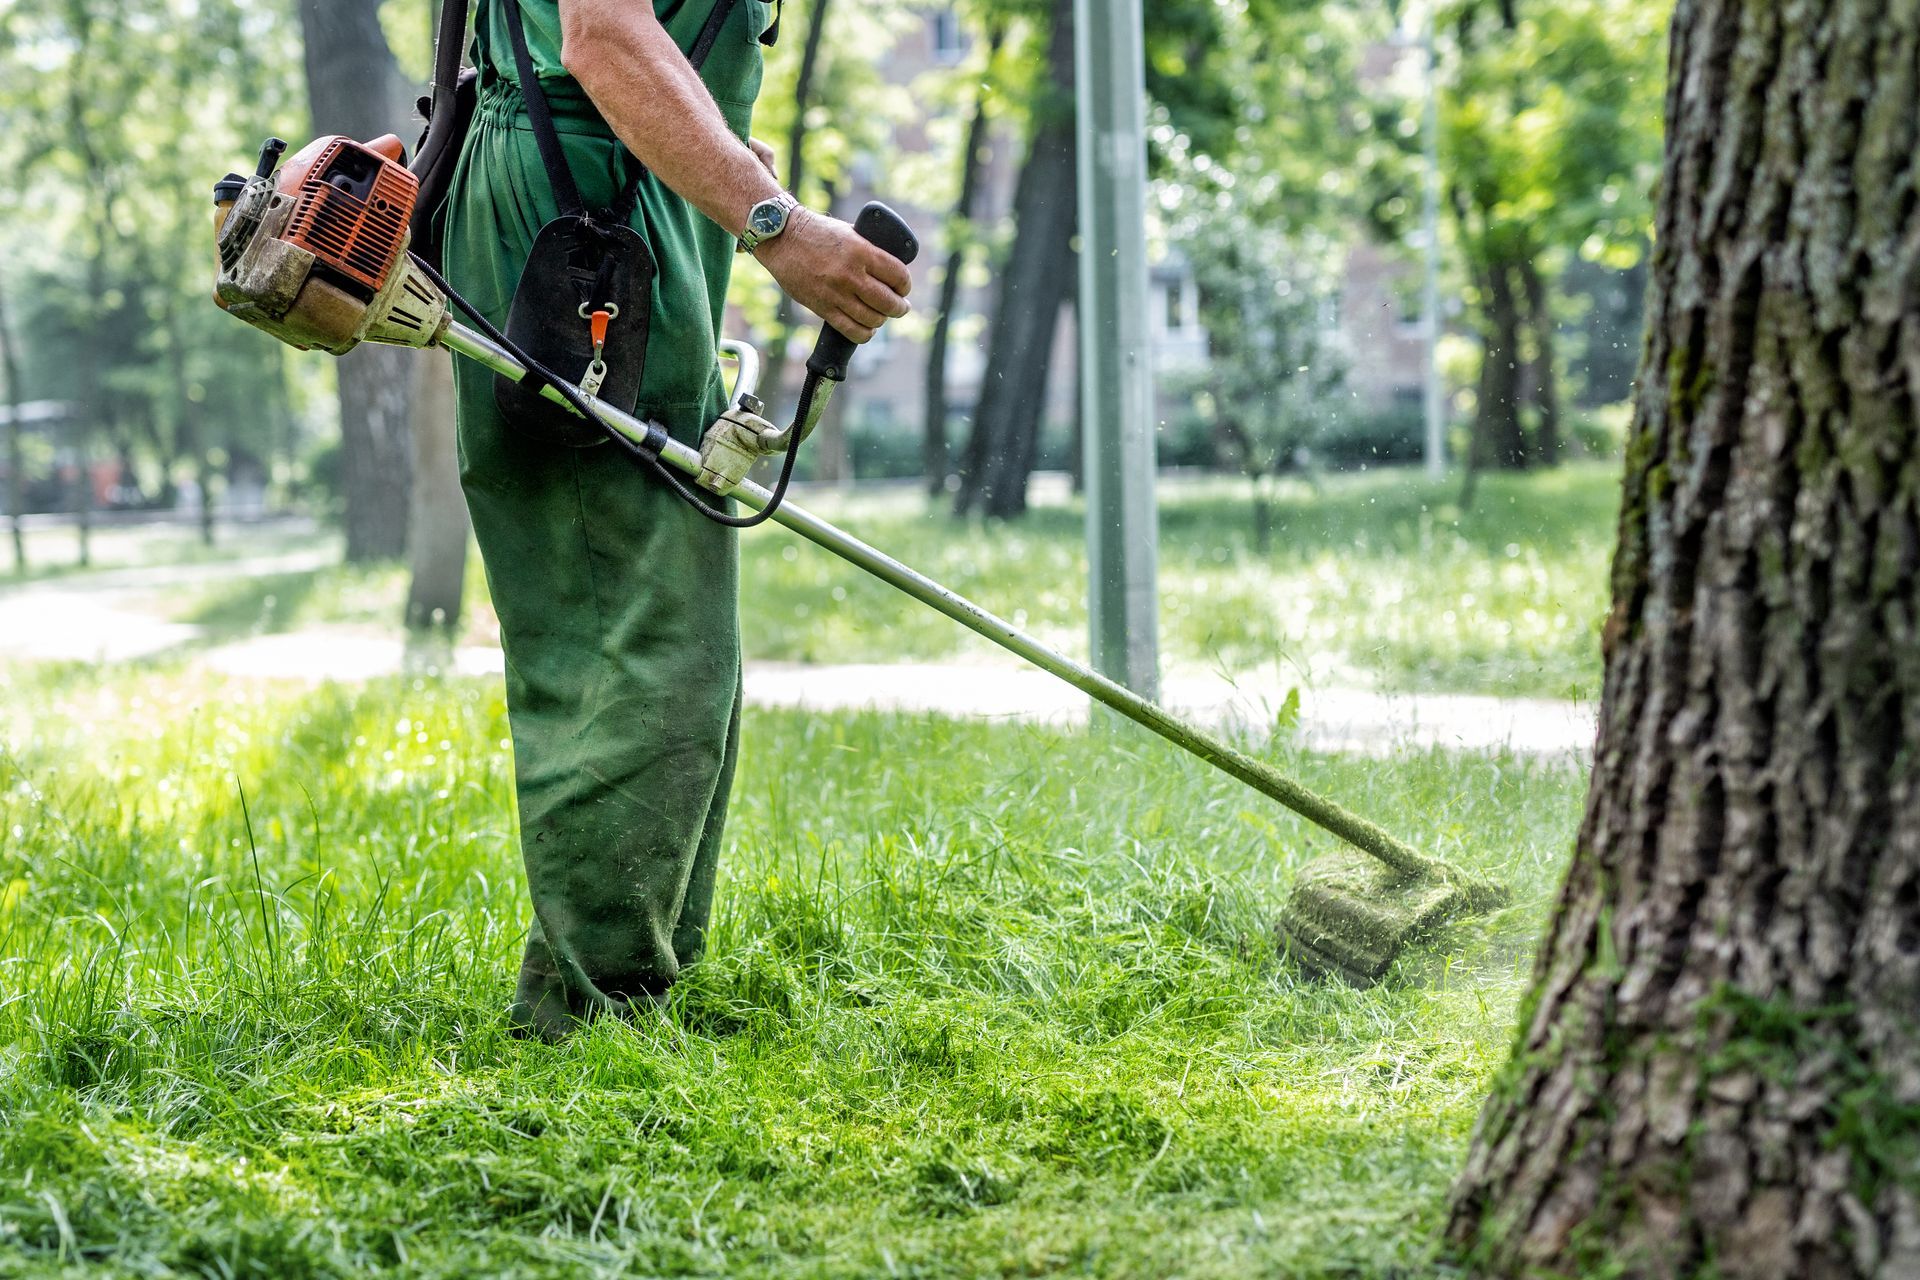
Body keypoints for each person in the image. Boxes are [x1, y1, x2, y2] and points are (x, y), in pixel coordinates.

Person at [443, 0, 911, 1041]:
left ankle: (632, 987)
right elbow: (602, 32)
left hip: (620, 196)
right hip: (582, 210)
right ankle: (592, 1022)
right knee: (629, 626)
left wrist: (716, 160)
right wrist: (779, 225)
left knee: (676, 620)